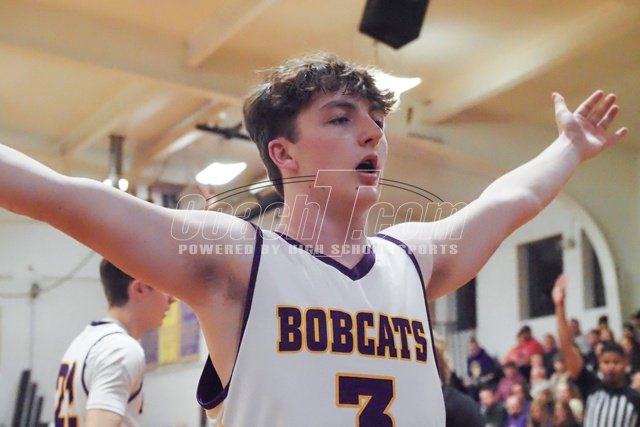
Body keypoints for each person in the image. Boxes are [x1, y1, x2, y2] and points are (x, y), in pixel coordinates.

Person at [0, 52, 627, 426]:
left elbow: (508, 201)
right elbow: (59, 195)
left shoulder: (410, 259)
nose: (372, 135)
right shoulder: (238, 262)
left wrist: (569, 147)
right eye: (341, 119)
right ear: (283, 153)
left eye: (377, 122)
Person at [53, 258, 174, 426]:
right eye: (166, 288)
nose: (173, 298)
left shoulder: (84, 340)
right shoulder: (122, 349)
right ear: (139, 289)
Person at [553, 274, 640, 427]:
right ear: (599, 364)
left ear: (625, 363)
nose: (611, 367)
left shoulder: (635, 399)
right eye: (606, 362)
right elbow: (567, 348)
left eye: (616, 362)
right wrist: (559, 306)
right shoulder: (591, 386)